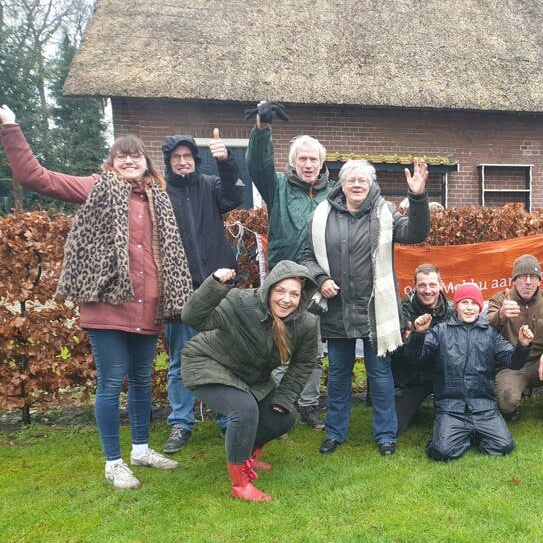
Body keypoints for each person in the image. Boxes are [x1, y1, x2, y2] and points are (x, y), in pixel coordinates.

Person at [0, 104, 190, 489]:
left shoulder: (159, 199)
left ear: (146, 162)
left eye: (136, 155)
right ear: (112, 162)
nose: (129, 160)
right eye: (122, 155)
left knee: (141, 381)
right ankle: (113, 462)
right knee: (111, 382)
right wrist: (10, 129)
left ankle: (139, 449)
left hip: (150, 308)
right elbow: (35, 177)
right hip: (107, 306)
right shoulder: (96, 187)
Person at [302, 159, 430, 456]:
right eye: (351, 180)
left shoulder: (385, 213)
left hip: (376, 313)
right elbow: (306, 256)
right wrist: (320, 279)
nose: (357, 184)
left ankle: (386, 435)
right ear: (341, 184)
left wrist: (418, 197)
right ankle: (335, 433)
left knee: (380, 376)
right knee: (337, 376)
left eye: (363, 180)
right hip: (336, 311)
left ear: (371, 184)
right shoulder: (321, 215)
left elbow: (416, 233)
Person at [181, 261, 318, 502]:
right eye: (280, 291)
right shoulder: (239, 302)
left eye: (294, 294)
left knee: (284, 417)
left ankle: (244, 454)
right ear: (269, 289)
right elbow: (192, 318)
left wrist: (284, 397)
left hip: (251, 377)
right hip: (207, 365)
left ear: (303, 296)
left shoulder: (305, 324)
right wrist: (214, 285)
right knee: (243, 410)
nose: (286, 299)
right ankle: (240, 484)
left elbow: (303, 364)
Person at [246, 104, 329, 430]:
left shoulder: (333, 194)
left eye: (314, 159)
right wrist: (262, 130)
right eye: (303, 159)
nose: (308, 164)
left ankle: (308, 404)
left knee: (313, 347)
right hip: (285, 281)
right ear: (293, 162)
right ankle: (279, 402)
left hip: (318, 282)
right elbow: (257, 165)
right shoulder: (277, 186)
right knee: (279, 344)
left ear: (321, 163)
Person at [160, 132, 244, 453]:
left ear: (196, 160)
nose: (183, 162)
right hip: (178, 288)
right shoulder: (161, 193)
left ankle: (227, 420)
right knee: (180, 359)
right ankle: (181, 424)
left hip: (217, 286)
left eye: (188, 157)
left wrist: (225, 161)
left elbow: (235, 195)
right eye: (176, 157)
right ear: (169, 162)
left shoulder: (210, 185)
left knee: (221, 354)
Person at [404, 283, 533, 461]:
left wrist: (523, 346)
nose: (470, 308)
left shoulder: (490, 332)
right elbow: (414, 357)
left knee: (504, 446)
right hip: (451, 408)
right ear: (456, 306)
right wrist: (419, 335)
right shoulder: (441, 331)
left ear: (480, 307)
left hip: (484, 407)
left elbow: (514, 362)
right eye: (465, 302)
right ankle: (463, 434)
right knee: (442, 452)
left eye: (474, 303)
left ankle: (472, 433)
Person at [488, 255, 543, 430]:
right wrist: (500, 315)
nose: (528, 282)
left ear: (539, 281)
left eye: (533, 277)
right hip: (511, 366)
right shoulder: (500, 300)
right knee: (506, 404)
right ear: (514, 280)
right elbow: (484, 328)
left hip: (542, 365)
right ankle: (513, 404)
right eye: (523, 277)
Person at [393, 263, 453, 434]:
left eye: (432, 285)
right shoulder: (402, 313)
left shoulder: (452, 310)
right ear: (414, 286)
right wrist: (417, 336)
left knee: (452, 424)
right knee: (394, 427)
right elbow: (403, 356)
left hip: (441, 374)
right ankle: (410, 407)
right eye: (422, 285)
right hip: (411, 377)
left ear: (441, 285)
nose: (428, 290)